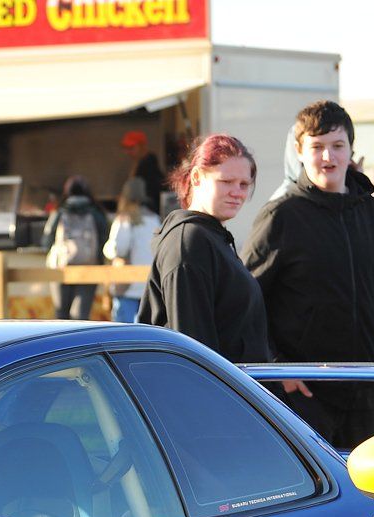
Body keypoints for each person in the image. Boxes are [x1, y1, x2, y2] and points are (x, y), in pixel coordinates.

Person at [243, 99, 374, 449]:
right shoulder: (280, 217)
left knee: (368, 490)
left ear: (350, 150)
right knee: (317, 492)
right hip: (304, 389)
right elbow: (247, 297)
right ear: (299, 151)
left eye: (337, 146)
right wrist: (277, 364)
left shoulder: (371, 212)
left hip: (361, 385)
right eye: (317, 147)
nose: (328, 157)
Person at [138, 134, 268, 363]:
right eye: (226, 181)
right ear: (197, 177)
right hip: (213, 392)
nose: (237, 192)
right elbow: (193, 350)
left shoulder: (211, 236)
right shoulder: (189, 242)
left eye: (244, 184)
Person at [42, 175, 109, 321]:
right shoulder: (96, 212)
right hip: (90, 266)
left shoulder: (60, 211)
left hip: (60, 267)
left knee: (61, 315)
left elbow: (46, 239)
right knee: (81, 315)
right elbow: (105, 237)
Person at [103, 178, 161, 324]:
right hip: (149, 287)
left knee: (122, 338)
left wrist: (106, 249)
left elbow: (118, 249)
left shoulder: (124, 219)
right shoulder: (154, 218)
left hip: (127, 286)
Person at [122, 130, 165, 213]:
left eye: (131, 147)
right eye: (126, 148)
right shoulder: (140, 163)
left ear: (142, 146)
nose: (128, 152)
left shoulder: (148, 165)